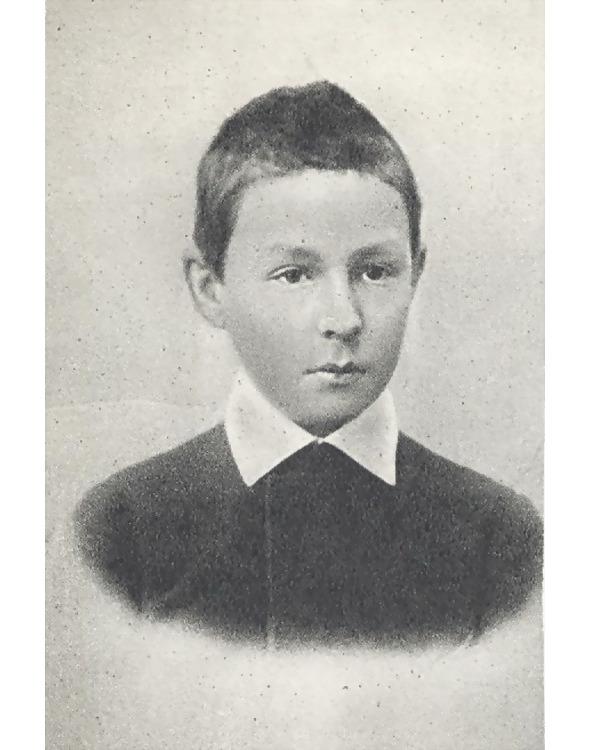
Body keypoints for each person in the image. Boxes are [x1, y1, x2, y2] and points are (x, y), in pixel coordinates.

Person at [74, 81, 542, 649]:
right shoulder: (120, 530)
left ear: (415, 275)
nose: (344, 318)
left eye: (375, 271)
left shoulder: (499, 536)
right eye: (294, 274)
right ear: (210, 287)